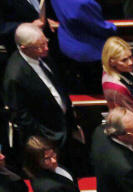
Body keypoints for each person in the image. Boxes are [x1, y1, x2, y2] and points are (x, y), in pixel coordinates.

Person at [2, 24, 79, 170]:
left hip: (63, 128)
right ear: (24, 48)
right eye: (39, 46)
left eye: (45, 43)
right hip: (47, 138)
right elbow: (20, 115)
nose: (45, 48)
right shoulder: (15, 76)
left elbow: (58, 86)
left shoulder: (42, 55)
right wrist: (45, 136)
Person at [49, 0, 117, 93]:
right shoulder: (83, 3)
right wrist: (112, 27)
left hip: (68, 43)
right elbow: (99, 27)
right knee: (98, 89)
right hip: (90, 51)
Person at [101, 36, 133, 113]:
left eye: (130, 57)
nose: (131, 62)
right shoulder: (116, 87)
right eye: (124, 60)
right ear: (112, 62)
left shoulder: (120, 70)